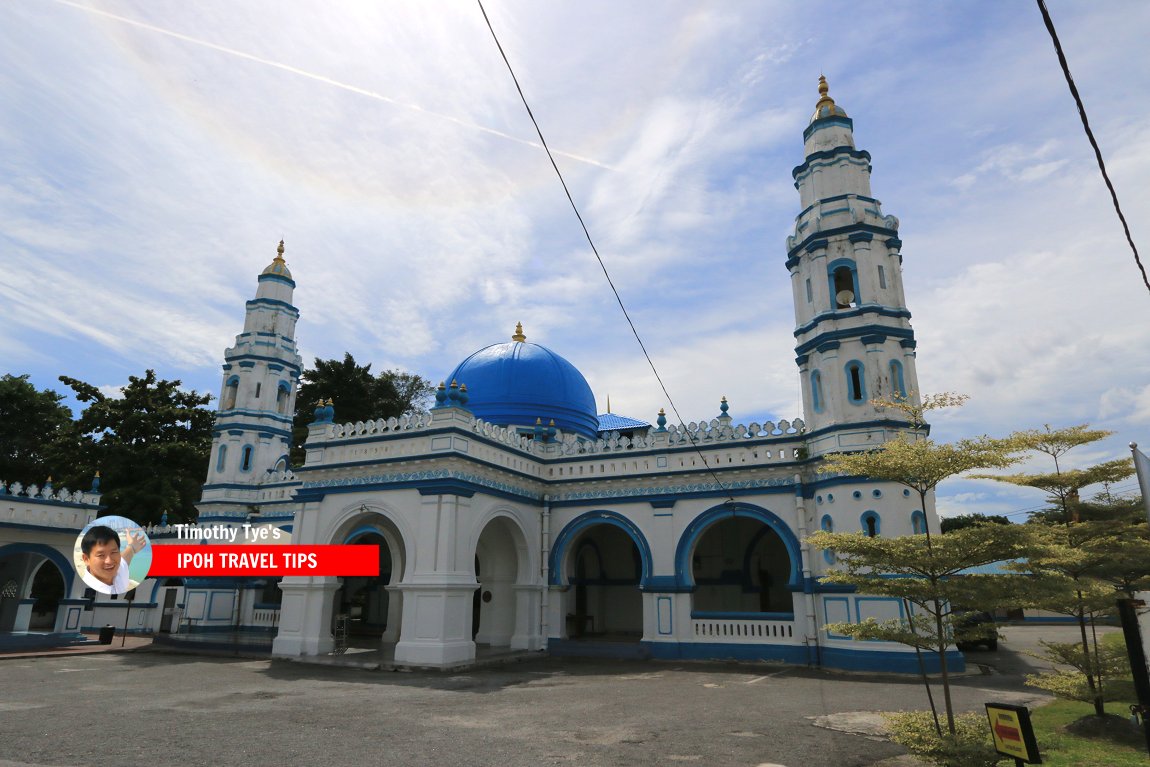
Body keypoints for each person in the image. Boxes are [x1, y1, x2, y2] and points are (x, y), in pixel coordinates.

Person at [79, 525, 146, 595]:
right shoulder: (87, 587)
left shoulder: (118, 571)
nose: (109, 561)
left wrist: (132, 547)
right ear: (86, 559)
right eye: (101, 555)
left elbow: (124, 560)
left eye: (113, 552)